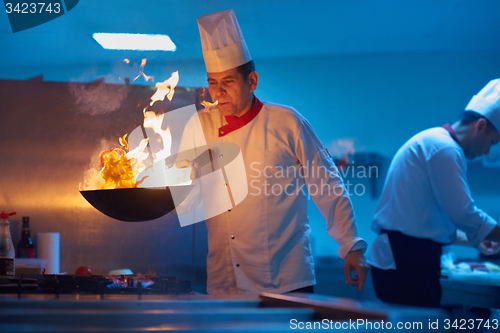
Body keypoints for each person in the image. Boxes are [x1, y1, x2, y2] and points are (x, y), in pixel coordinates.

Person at [176, 9, 368, 295]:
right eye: (213, 83)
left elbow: (327, 184)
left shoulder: (287, 121)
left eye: (227, 82)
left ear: (251, 81)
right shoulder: (199, 124)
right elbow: (183, 191)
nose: (218, 93)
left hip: (286, 281)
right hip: (224, 281)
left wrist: (351, 245)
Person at [368, 79, 500, 308]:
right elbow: (463, 213)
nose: (488, 151)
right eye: (492, 142)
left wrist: (476, 242)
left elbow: (428, 220)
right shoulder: (445, 148)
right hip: (407, 261)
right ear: (480, 126)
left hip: (404, 259)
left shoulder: (435, 142)